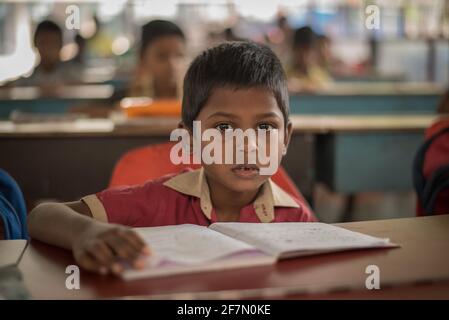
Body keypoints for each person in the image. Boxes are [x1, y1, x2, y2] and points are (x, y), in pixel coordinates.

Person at [28, 42, 317, 275]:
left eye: (265, 127)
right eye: (224, 128)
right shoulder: (157, 200)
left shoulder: (298, 219)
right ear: (189, 138)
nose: (247, 145)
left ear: (285, 139)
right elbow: (41, 215)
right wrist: (86, 232)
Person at [127, 20, 186, 99]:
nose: (172, 65)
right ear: (142, 59)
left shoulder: (198, 103)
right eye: (162, 56)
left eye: (179, 55)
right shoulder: (125, 103)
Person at [13, 20, 79, 88]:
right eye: (44, 42)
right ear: (35, 43)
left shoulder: (75, 79)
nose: (48, 48)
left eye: (53, 43)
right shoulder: (27, 83)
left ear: (60, 44)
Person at [287, 26, 331, 92]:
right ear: (293, 49)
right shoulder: (283, 75)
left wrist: (300, 86)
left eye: (308, 51)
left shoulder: (319, 75)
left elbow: (326, 88)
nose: (304, 56)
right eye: (300, 51)